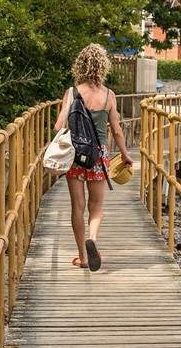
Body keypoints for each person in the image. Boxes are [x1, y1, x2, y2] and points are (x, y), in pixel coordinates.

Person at [55, 43, 131, 271]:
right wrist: (126, 155)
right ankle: (93, 240)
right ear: (103, 67)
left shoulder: (71, 93)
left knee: (77, 206)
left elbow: (59, 125)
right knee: (96, 205)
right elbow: (116, 130)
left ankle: (83, 257)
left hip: (75, 156)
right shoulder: (109, 95)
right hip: (99, 156)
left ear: (80, 66)